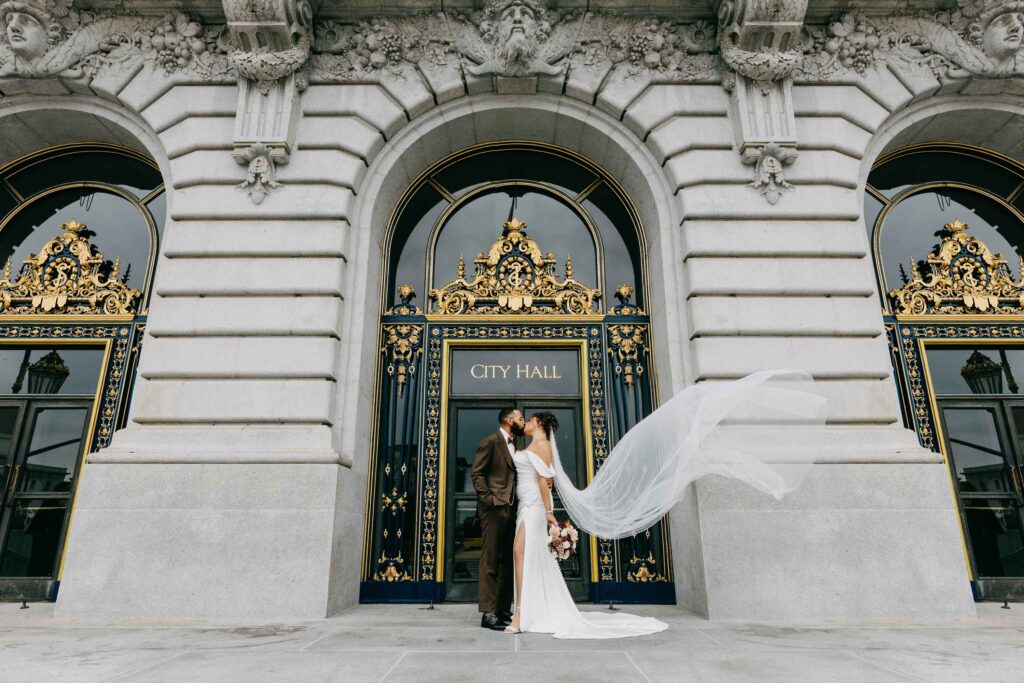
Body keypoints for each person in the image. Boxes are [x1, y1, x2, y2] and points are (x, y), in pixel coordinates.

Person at [503, 369, 826, 639]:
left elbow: (544, 482)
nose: (526, 422)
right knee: (525, 556)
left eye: (530, 420)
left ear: (541, 426)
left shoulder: (542, 446)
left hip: (533, 508)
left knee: (522, 553)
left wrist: (549, 514)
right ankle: (529, 611)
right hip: (524, 506)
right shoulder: (530, 444)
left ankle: (521, 617)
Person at [471, 407, 524, 631]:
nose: (523, 422)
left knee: (506, 561)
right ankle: (488, 613)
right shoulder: (491, 441)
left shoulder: (516, 445)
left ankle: (502, 608)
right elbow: (477, 473)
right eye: (520, 418)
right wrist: (489, 500)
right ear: (509, 420)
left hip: (511, 509)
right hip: (494, 509)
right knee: (490, 560)